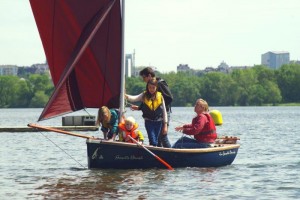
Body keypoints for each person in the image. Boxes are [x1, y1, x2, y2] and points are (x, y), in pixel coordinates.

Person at [136, 67, 173, 148]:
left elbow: (169, 98)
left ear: (149, 75)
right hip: (155, 117)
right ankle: (159, 153)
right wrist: (140, 107)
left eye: (144, 77)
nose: (143, 79)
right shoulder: (150, 86)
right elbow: (149, 102)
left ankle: (172, 154)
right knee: (157, 138)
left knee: (163, 135)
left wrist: (159, 108)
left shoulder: (159, 83)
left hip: (163, 113)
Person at [125, 78, 168, 146]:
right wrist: (126, 96)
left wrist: (165, 124)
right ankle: (152, 151)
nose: (151, 89)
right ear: (147, 87)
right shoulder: (144, 95)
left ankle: (153, 153)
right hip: (149, 122)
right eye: (149, 87)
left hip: (158, 122)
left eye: (153, 88)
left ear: (156, 88)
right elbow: (134, 98)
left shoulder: (160, 96)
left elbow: (164, 111)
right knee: (153, 141)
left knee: (156, 141)